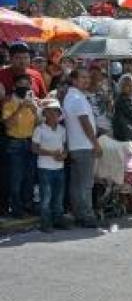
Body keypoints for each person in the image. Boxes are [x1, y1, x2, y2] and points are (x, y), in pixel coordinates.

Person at [63, 68, 102, 228]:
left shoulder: (73, 96)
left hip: (77, 145)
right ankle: (87, 216)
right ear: (74, 80)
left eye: (88, 77)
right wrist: (96, 143)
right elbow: (85, 123)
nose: (87, 80)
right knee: (85, 184)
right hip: (84, 146)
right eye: (83, 77)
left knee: (78, 184)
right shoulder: (77, 98)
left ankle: (80, 215)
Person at [2, 73, 38, 218]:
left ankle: (28, 206)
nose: (24, 87)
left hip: (30, 142)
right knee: (16, 178)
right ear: (15, 86)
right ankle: (16, 209)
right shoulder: (9, 102)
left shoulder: (32, 101)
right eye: (21, 84)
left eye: (27, 84)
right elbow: (7, 124)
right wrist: (20, 108)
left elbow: (39, 124)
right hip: (15, 143)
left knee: (29, 178)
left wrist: (35, 110)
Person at [32, 99, 68, 233]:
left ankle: (58, 220)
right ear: (45, 114)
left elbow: (64, 148)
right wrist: (51, 153)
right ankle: (45, 223)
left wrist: (64, 155)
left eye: (56, 111)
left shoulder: (62, 130)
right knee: (46, 198)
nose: (53, 114)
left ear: (59, 114)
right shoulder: (39, 129)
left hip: (59, 168)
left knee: (58, 197)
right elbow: (34, 149)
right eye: (50, 111)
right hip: (45, 168)